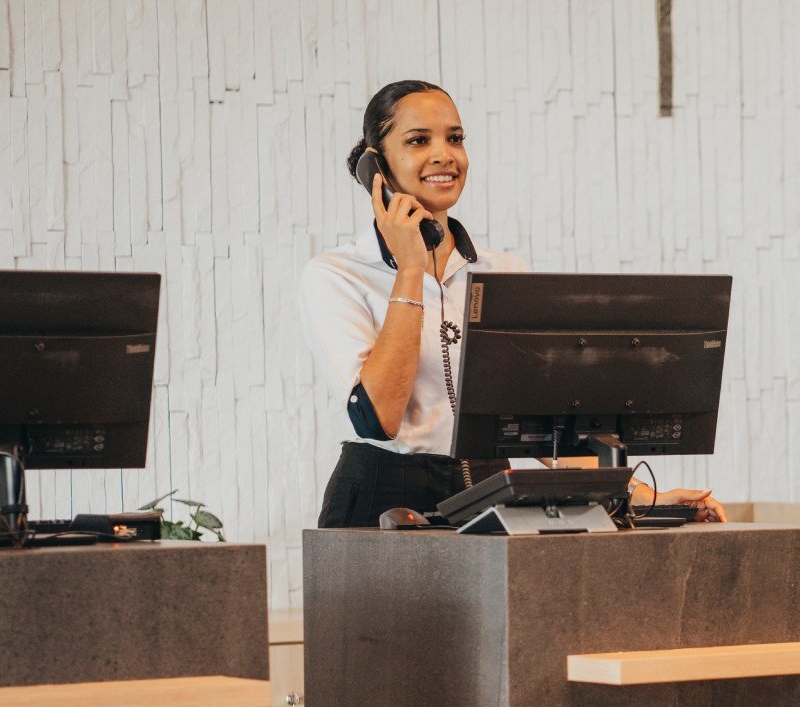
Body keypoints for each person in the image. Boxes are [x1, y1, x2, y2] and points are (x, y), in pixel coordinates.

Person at [300, 79, 725, 527]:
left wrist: (644, 495)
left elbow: (544, 432)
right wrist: (410, 268)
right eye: (418, 140)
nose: (445, 154)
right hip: (381, 499)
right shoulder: (336, 274)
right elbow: (378, 420)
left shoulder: (503, 272)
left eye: (455, 138)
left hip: (490, 493)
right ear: (376, 166)